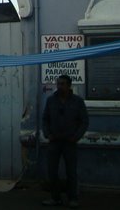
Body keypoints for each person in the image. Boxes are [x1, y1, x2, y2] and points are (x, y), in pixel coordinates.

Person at [42, 74, 89, 207]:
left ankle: (73, 198)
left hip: (70, 141)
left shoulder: (77, 101)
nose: (59, 86)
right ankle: (55, 197)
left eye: (62, 84)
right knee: (52, 171)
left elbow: (84, 121)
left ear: (69, 85)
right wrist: (48, 134)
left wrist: (77, 136)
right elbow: (45, 119)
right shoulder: (51, 100)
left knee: (71, 171)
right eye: (58, 83)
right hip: (54, 141)